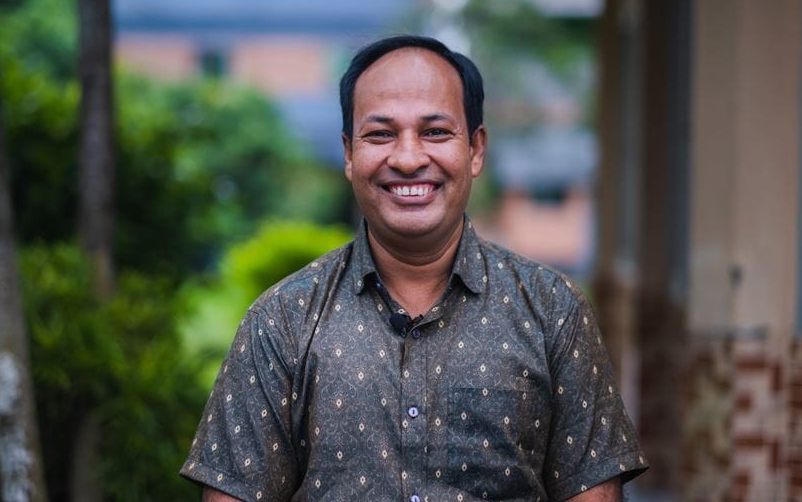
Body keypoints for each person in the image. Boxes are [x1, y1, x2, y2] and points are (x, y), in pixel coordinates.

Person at [180, 35, 648, 502]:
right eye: (381, 134)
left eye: (435, 132)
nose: (407, 158)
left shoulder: (553, 312)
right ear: (349, 154)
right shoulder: (281, 322)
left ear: (476, 149)